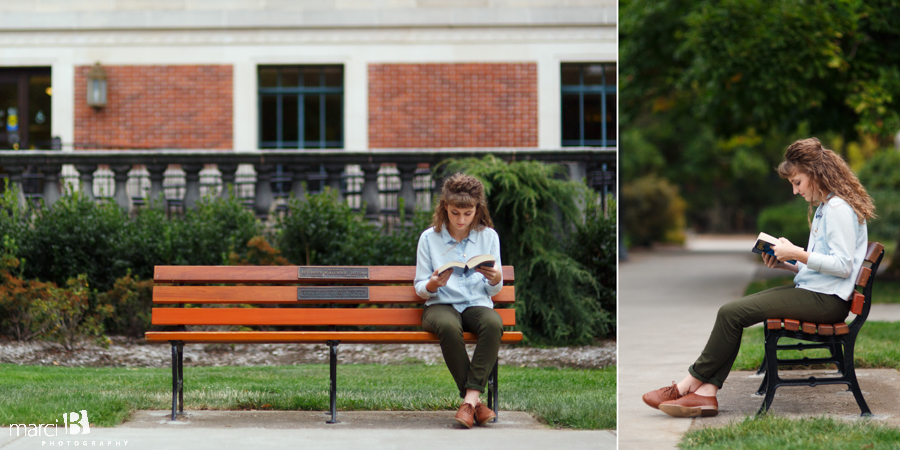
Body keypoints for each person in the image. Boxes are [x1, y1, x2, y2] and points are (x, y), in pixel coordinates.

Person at [642, 137, 876, 418]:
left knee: (731, 313)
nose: (795, 191)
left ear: (815, 173)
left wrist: (797, 253)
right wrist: (788, 264)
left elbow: (842, 266)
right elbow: (827, 266)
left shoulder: (837, 209)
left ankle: (687, 385)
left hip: (826, 301)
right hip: (818, 294)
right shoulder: (828, 208)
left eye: (798, 182)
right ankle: (705, 394)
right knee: (732, 312)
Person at [414, 173, 504, 428]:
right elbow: (420, 287)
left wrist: (496, 278)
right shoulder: (429, 238)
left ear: (478, 209)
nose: (461, 220)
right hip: (440, 304)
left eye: (468, 213)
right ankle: (476, 404)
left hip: (476, 302)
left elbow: (493, 289)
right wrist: (432, 284)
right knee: (449, 326)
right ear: (445, 207)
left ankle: (470, 401)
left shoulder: (489, 237)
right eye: (455, 213)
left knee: (494, 323)